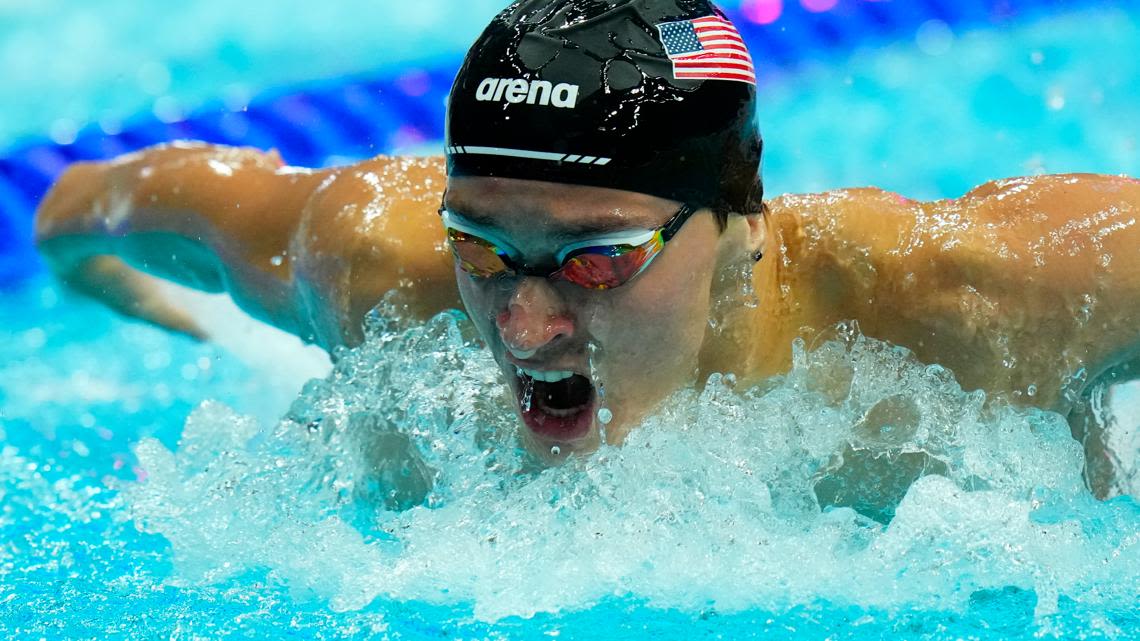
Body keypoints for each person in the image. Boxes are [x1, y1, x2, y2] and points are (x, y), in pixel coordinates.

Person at [33, 0, 1140, 489]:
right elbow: (87, 200)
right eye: (481, 248)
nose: (523, 324)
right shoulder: (375, 261)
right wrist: (103, 283)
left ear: (742, 227)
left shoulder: (977, 299)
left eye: (597, 259)